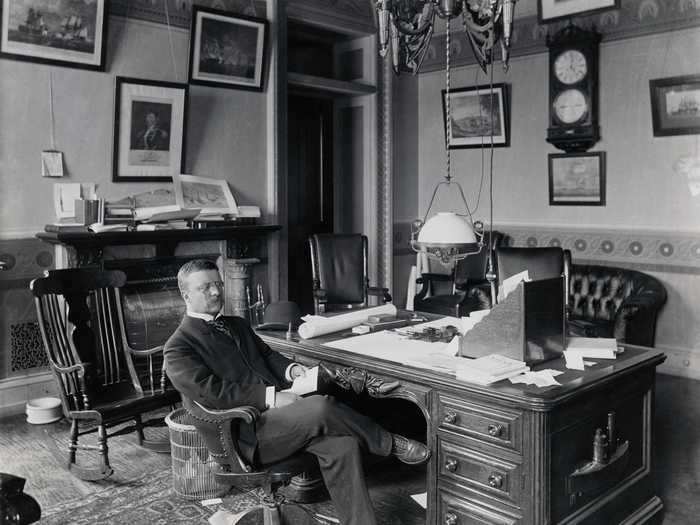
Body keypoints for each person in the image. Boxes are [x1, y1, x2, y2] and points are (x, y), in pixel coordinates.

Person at [164, 259, 430, 525]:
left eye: (218, 284)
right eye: (205, 287)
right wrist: (271, 397)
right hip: (244, 434)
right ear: (186, 295)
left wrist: (291, 370)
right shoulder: (178, 347)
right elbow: (213, 393)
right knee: (320, 406)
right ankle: (390, 443)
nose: (215, 292)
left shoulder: (237, 324)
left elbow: (267, 355)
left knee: (343, 445)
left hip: (282, 422)